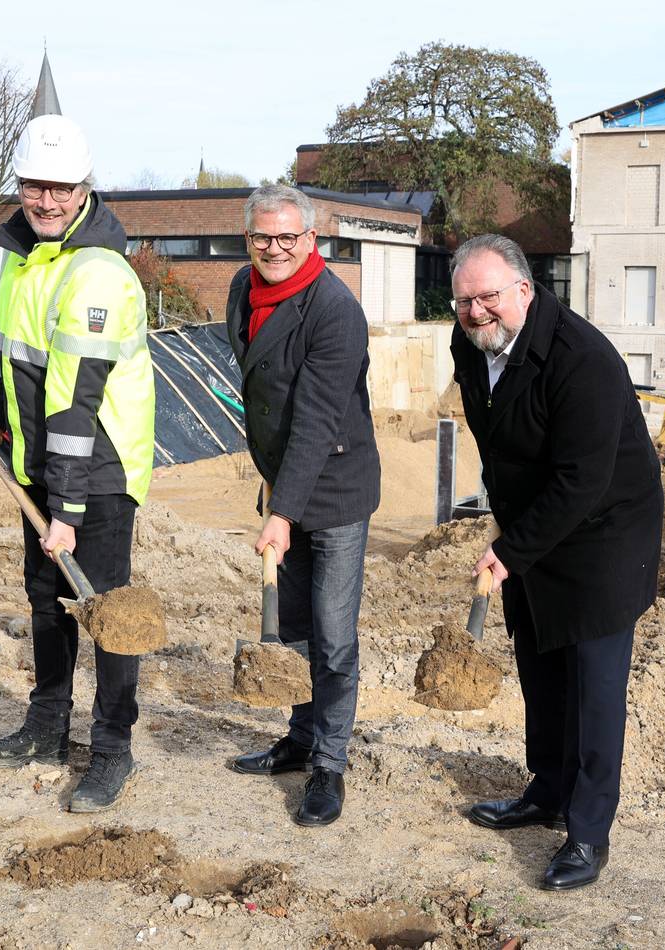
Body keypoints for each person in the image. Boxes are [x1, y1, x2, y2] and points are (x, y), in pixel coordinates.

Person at [449, 234, 663, 890]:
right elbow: (497, 438)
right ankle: (546, 791)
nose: (477, 312)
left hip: (604, 533)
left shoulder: (581, 359)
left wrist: (510, 549)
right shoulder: (467, 342)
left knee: (594, 690)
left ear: (524, 290)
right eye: (464, 301)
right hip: (536, 524)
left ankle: (589, 834)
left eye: (489, 297)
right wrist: (514, 534)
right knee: (540, 668)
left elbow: (584, 480)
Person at [0, 114, 155, 813]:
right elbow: (20, 353)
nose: (45, 200)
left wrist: (67, 514)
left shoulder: (97, 271)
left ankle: (112, 752)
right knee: (46, 601)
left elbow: (77, 400)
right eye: (34, 186)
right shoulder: (22, 257)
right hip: (43, 462)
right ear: (19, 186)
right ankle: (45, 730)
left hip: (98, 469)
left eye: (61, 188)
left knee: (106, 611)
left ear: (83, 190)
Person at [226, 184, 380, 827]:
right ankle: (299, 737)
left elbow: (317, 419)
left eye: (289, 237)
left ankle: (330, 764)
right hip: (283, 482)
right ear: (249, 240)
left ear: (311, 239)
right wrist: (275, 494)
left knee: (333, 636)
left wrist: (282, 514)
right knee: (292, 626)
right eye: (264, 237)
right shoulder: (242, 288)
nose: (276, 249)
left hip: (336, 490)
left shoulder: (334, 309)